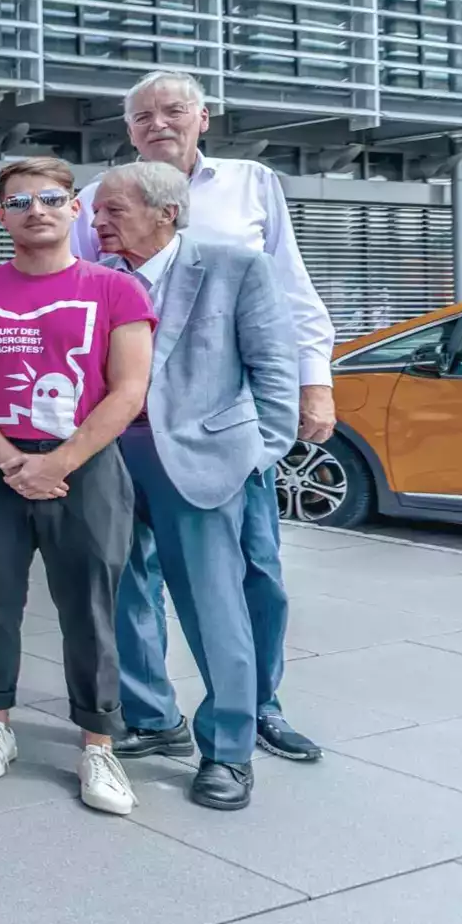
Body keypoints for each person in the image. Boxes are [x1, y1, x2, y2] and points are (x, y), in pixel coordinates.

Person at [75, 68, 331, 762]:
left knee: (243, 587)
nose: (157, 123)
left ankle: (243, 726)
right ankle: (152, 714)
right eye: (142, 116)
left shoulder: (248, 198)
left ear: (203, 116)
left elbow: (286, 320)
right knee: (128, 588)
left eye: (173, 110)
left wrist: (272, 435)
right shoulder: (101, 244)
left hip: (214, 444)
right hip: (118, 449)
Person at [0, 157, 153, 817]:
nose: (36, 210)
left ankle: (97, 743)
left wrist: (60, 461)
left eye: (50, 199)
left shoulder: (115, 291)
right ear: (1, 215)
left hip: (85, 470)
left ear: (74, 209)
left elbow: (129, 389)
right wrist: (9, 460)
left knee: (90, 608)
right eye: (20, 201)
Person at [91, 162, 299, 810]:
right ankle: (153, 719)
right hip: (112, 462)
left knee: (214, 610)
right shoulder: (97, 282)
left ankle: (229, 751)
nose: (96, 223)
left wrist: (251, 455)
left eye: (112, 212)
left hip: (204, 466)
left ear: (166, 213)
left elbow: (275, 369)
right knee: (124, 598)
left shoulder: (235, 267)